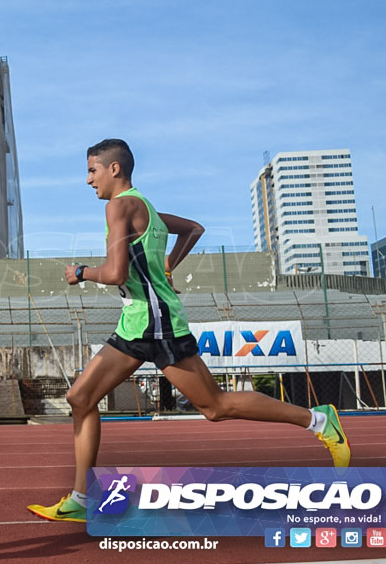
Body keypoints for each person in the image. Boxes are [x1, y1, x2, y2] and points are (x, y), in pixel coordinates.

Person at [27, 138, 350, 523]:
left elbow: (115, 273)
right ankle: (82, 500)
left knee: (215, 406)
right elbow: (193, 229)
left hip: (157, 322)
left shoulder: (120, 206)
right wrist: (168, 266)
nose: (87, 180)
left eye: (92, 170)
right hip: (136, 322)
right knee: (80, 398)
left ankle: (317, 419)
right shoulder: (147, 210)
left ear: (114, 169)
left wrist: (81, 273)